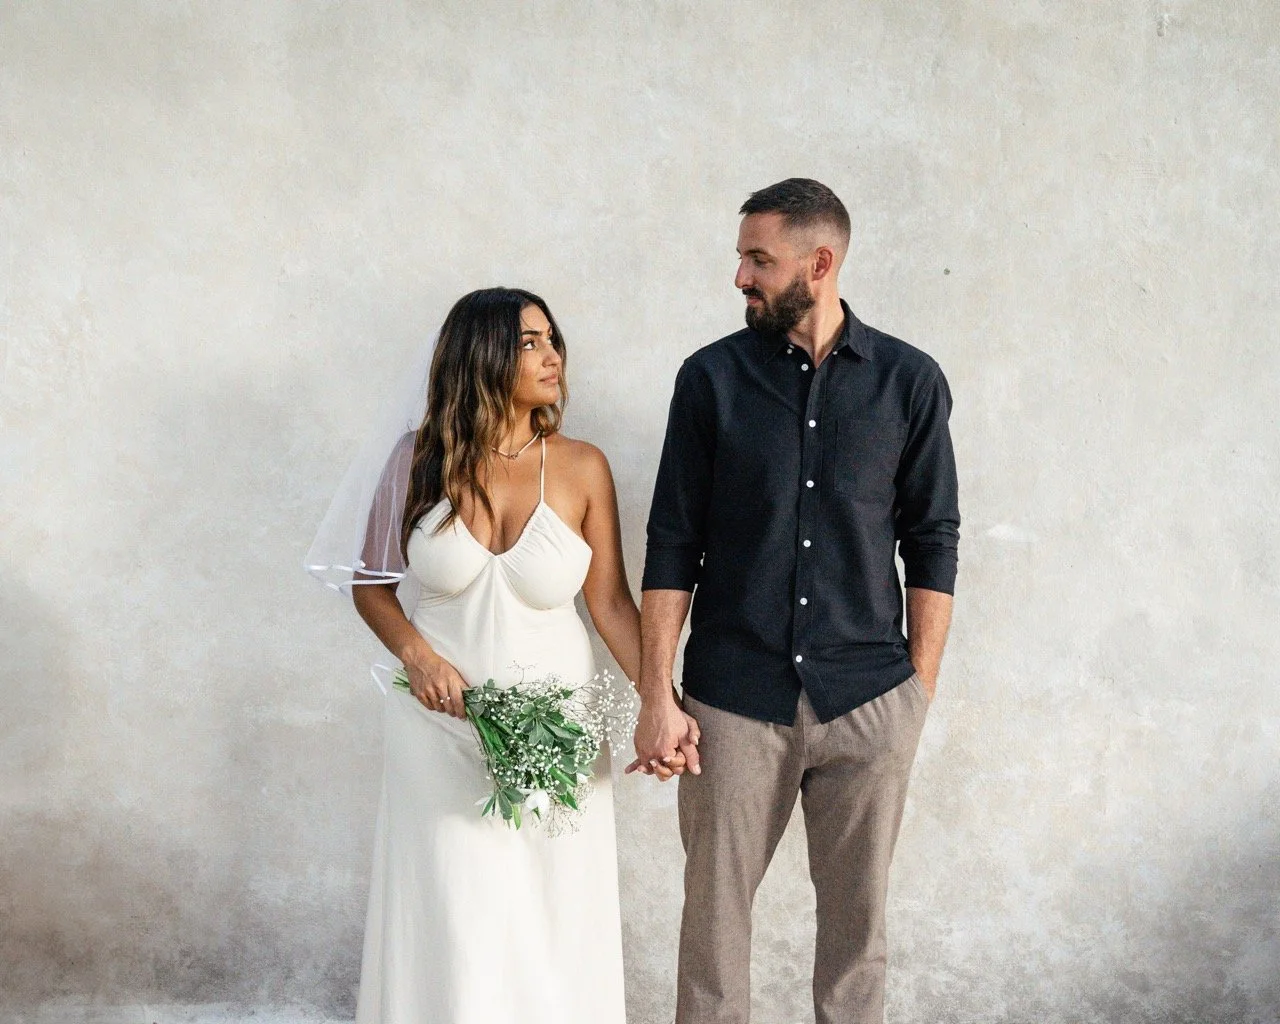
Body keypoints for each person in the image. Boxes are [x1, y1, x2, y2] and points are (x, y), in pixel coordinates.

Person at [632, 179, 961, 1024]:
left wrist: (917, 689)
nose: (740, 276)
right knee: (711, 930)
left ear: (820, 263)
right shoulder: (709, 380)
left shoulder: (910, 382)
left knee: (858, 938)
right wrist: (655, 694)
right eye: (743, 256)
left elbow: (932, 539)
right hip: (733, 699)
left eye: (758, 259)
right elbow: (672, 543)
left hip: (869, 699)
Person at [313, 287, 689, 1023]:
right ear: (481, 355)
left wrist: (661, 699)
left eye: (553, 341)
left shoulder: (581, 466)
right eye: (529, 342)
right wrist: (418, 657)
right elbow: (371, 584)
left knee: (551, 916)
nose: (553, 357)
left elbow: (609, 603)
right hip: (439, 727)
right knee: (455, 909)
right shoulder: (417, 459)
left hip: (559, 731)